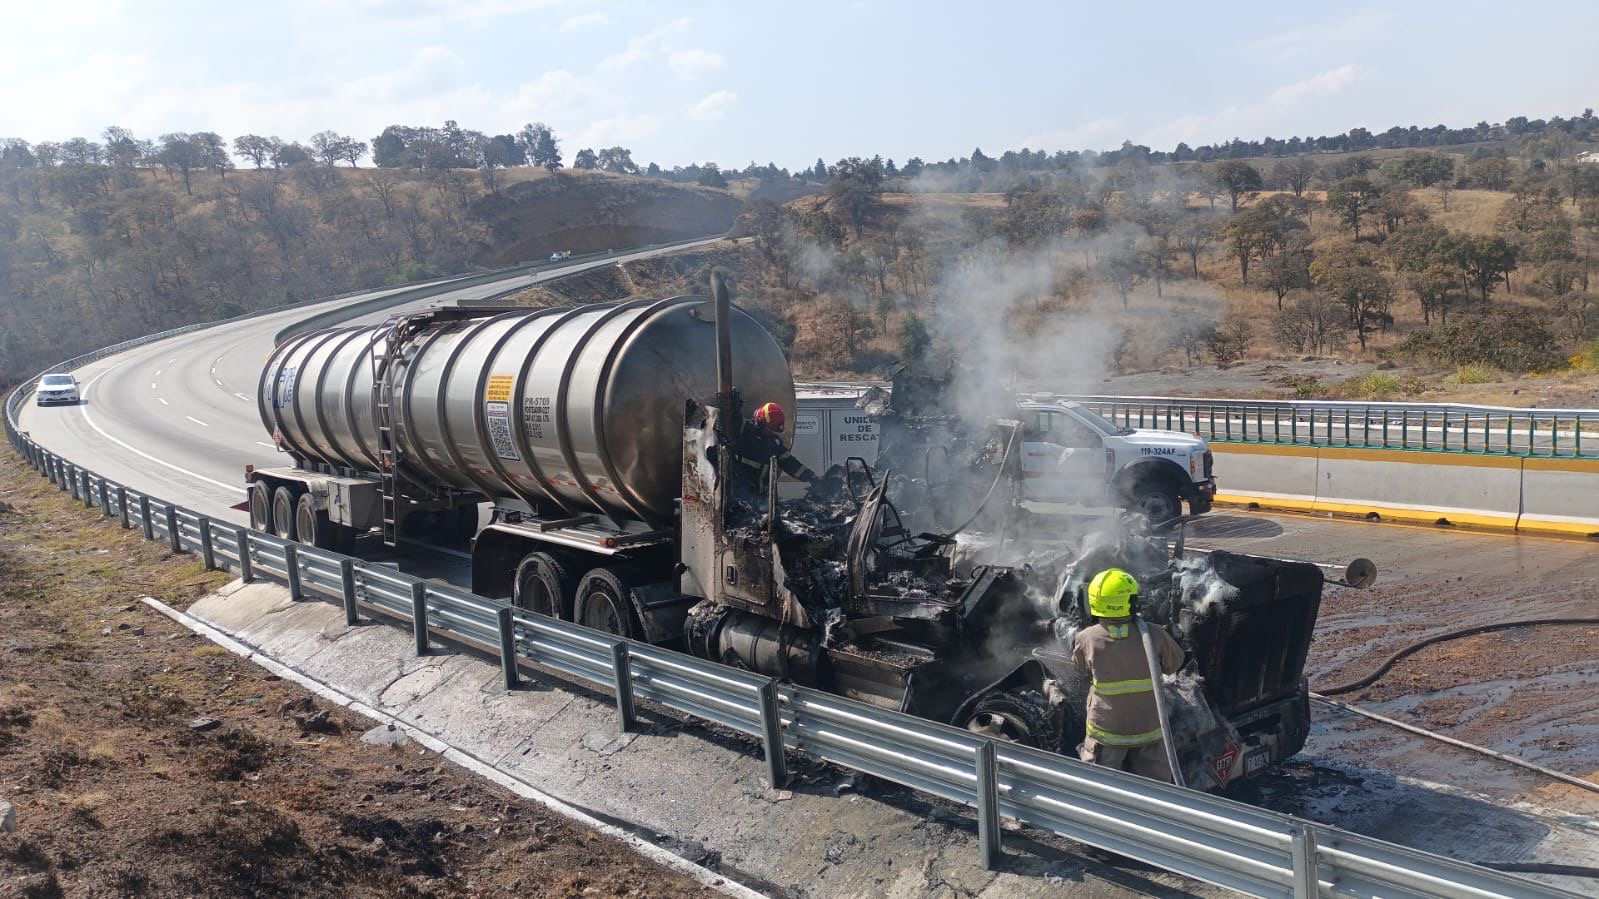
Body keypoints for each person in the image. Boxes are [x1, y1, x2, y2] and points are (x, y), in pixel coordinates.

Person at [1071, 567, 1184, 782]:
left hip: (1108, 735)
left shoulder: (1086, 638)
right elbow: (1174, 664)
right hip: (1149, 730)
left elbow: (1081, 666)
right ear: (1131, 601)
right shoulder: (1154, 633)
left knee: (1103, 789)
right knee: (1156, 791)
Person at [731, 402, 816, 490]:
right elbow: (729, 417)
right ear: (760, 423)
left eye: (773, 431)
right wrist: (733, 405)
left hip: (761, 494)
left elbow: (790, 463)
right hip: (739, 491)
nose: (771, 434)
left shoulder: (774, 443)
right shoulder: (744, 428)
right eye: (769, 430)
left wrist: (811, 477)